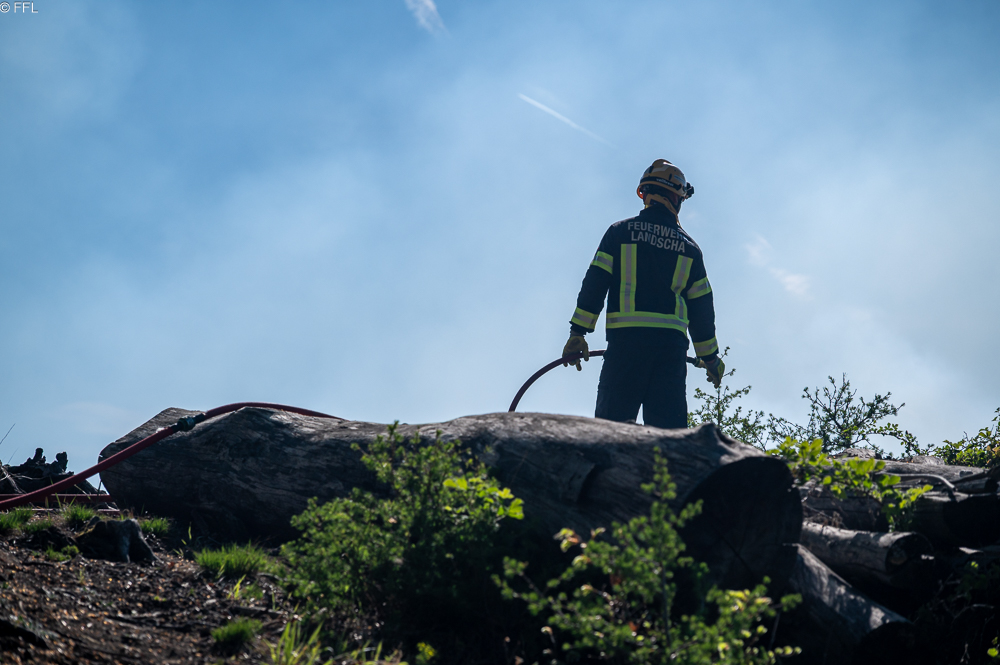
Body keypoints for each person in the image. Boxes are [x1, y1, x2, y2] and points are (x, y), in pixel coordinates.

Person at [562, 159, 723, 429]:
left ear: (644, 193)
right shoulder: (690, 249)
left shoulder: (619, 233)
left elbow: (595, 283)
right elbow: (702, 310)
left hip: (626, 347)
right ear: (676, 197)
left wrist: (578, 333)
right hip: (669, 353)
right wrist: (710, 358)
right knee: (668, 438)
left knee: (611, 432)